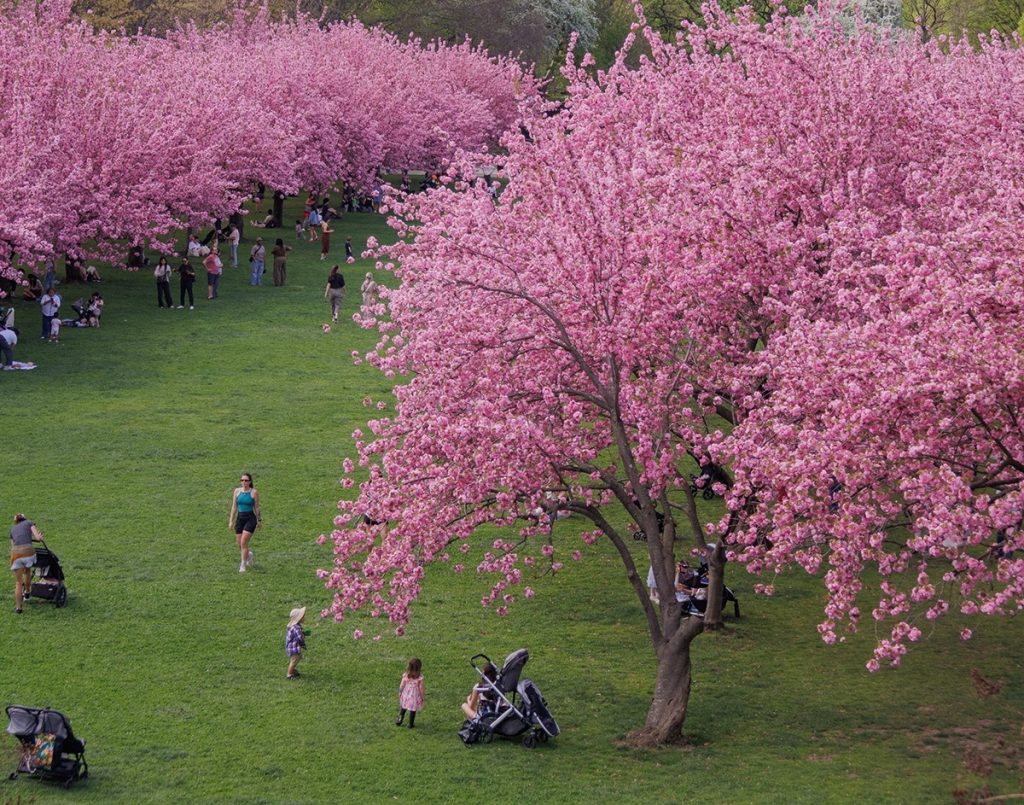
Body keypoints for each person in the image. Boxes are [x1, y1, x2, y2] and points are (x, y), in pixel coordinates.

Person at [10, 514, 42, 614]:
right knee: (27, 572)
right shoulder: (29, 523)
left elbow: (13, 545)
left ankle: (18, 608)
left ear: (16, 521)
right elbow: (38, 537)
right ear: (25, 519)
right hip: (28, 552)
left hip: (16, 554)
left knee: (18, 582)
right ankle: (27, 592)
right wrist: (40, 537)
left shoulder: (12, 530)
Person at [229, 472, 261, 573]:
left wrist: (259, 520)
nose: (244, 482)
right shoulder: (237, 491)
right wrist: (231, 521)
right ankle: (249, 555)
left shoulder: (254, 492)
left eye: (246, 480)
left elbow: (257, 507)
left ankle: (242, 565)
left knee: (243, 542)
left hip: (250, 518)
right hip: (240, 518)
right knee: (239, 543)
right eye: (242, 480)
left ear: (250, 482)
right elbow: (234, 507)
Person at [396, 657, 424, 728]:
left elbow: (402, 685)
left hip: (406, 695)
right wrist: (422, 697)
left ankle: (400, 719)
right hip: (414, 696)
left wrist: (400, 692)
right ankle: (410, 724)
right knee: (413, 710)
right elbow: (421, 688)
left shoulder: (406, 675)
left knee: (403, 707)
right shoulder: (420, 678)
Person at [285, 607, 306, 679]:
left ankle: (292, 670)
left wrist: (303, 633)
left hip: (293, 647)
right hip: (293, 648)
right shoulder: (296, 628)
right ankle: (289, 674)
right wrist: (303, 643)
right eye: (303, 617)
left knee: (297, 658)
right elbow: (299, 637)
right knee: (294, 660)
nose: (304, 617)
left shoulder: (296, 627)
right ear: (299, 618)